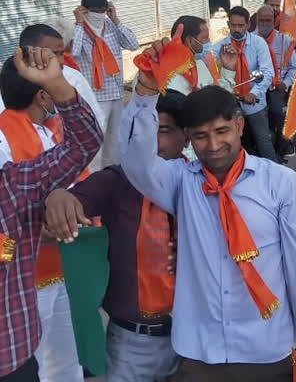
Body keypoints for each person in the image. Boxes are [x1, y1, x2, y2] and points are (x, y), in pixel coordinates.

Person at [119, 65, 296, 382]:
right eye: (201, 136)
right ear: (189, 138)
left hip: (268, 348)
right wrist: (144, 97)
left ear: (239, 124)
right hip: (200, 352)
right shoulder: (180, 182)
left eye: (222, 131)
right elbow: (135, 160)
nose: (214, 145)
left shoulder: (281, 183)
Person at [43, 91, 187, 381]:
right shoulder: (116, 182)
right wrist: (58, 197)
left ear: (186, 136)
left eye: (164, 132)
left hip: (192, 339)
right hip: (130, 343)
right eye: (144, 133)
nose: (152, 144)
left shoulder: (198, 182)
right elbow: (69, 204)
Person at [0, 45, 102, 381]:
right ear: (41, 98)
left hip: (51, 267)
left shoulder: (11, 185)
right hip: (33, 270)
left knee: (64, 353)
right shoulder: (4, 137)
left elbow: (84, 146)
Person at [71, 0, 139, 169]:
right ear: (84, 10)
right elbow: (73, 52)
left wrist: (115, 19)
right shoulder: (78, 30)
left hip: (116, 92)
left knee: (115, 139)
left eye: (103, 10)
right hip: (95, 96)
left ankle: (111, 174)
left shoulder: (110, 26)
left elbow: (133, 44)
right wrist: (78, 23)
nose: (100, 15)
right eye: (95, 11)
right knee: (95, 141)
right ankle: (93, 177)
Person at [9, 24, 106, 135]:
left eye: (61, 53)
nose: (60, 61)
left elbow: (96, 120)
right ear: (29, 52)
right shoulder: (12, 79)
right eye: (53, 54)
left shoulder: (72, 77)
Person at [213, 6, 277, 163]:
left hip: (254, 100)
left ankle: (276, 176)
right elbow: (213, 75)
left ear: (248, 25)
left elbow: (267, 72)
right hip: (230, 104)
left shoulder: (258, 43)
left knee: (264, 142)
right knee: (229, 145)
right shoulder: (219, 48)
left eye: (240, 25)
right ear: (228, 25)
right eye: (233, 25)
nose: (237, 29)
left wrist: (254, 93)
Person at [251, 6, 296, 160]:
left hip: (276, 88)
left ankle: (283, 145)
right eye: (261, 20)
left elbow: (294, 68)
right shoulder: (250, 40)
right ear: (256, 21)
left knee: (279, 112)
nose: (264, 24)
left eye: (268, 20)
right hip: (254, 88)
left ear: (274, 21)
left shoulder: (285, 40)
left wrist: (285, 83)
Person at [167, 16, 236, 95]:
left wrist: (228, 69)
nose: (209, 41)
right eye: (205, 38)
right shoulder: (168, 74)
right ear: (190, 40)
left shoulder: (199, 64)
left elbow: (217, 99)